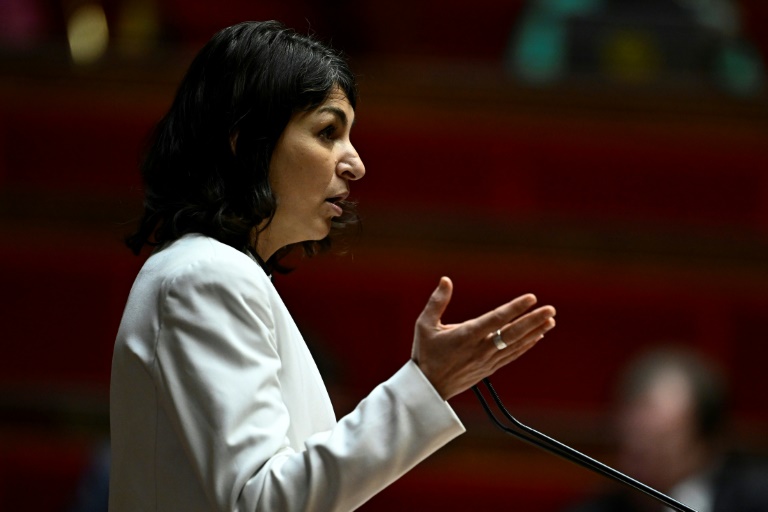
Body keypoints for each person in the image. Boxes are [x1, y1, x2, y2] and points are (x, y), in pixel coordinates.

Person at [109, 20, 557, 512]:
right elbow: (263, 502)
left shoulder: (215, 271)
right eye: (327, 132)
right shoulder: (205, 277)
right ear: (244, 141)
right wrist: (423, 385)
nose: (355, 164)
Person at [566, 347, 768, 512]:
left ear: (706, 439)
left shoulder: (758, 498)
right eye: (633, 435)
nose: (641, 450)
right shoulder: (594, 509)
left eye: (660, 439)